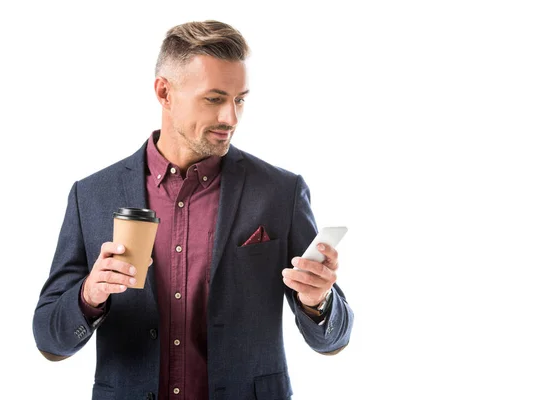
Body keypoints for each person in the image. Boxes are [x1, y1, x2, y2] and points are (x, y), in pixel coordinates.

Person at [33, 20, 354, 400]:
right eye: (214, 99)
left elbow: (333, 339)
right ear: (164, 92)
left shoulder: (280, 192)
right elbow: (49, 338)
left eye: (240, 99)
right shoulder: (92, 195)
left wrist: (318, 302)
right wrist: (88, 295)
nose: (230, 118)